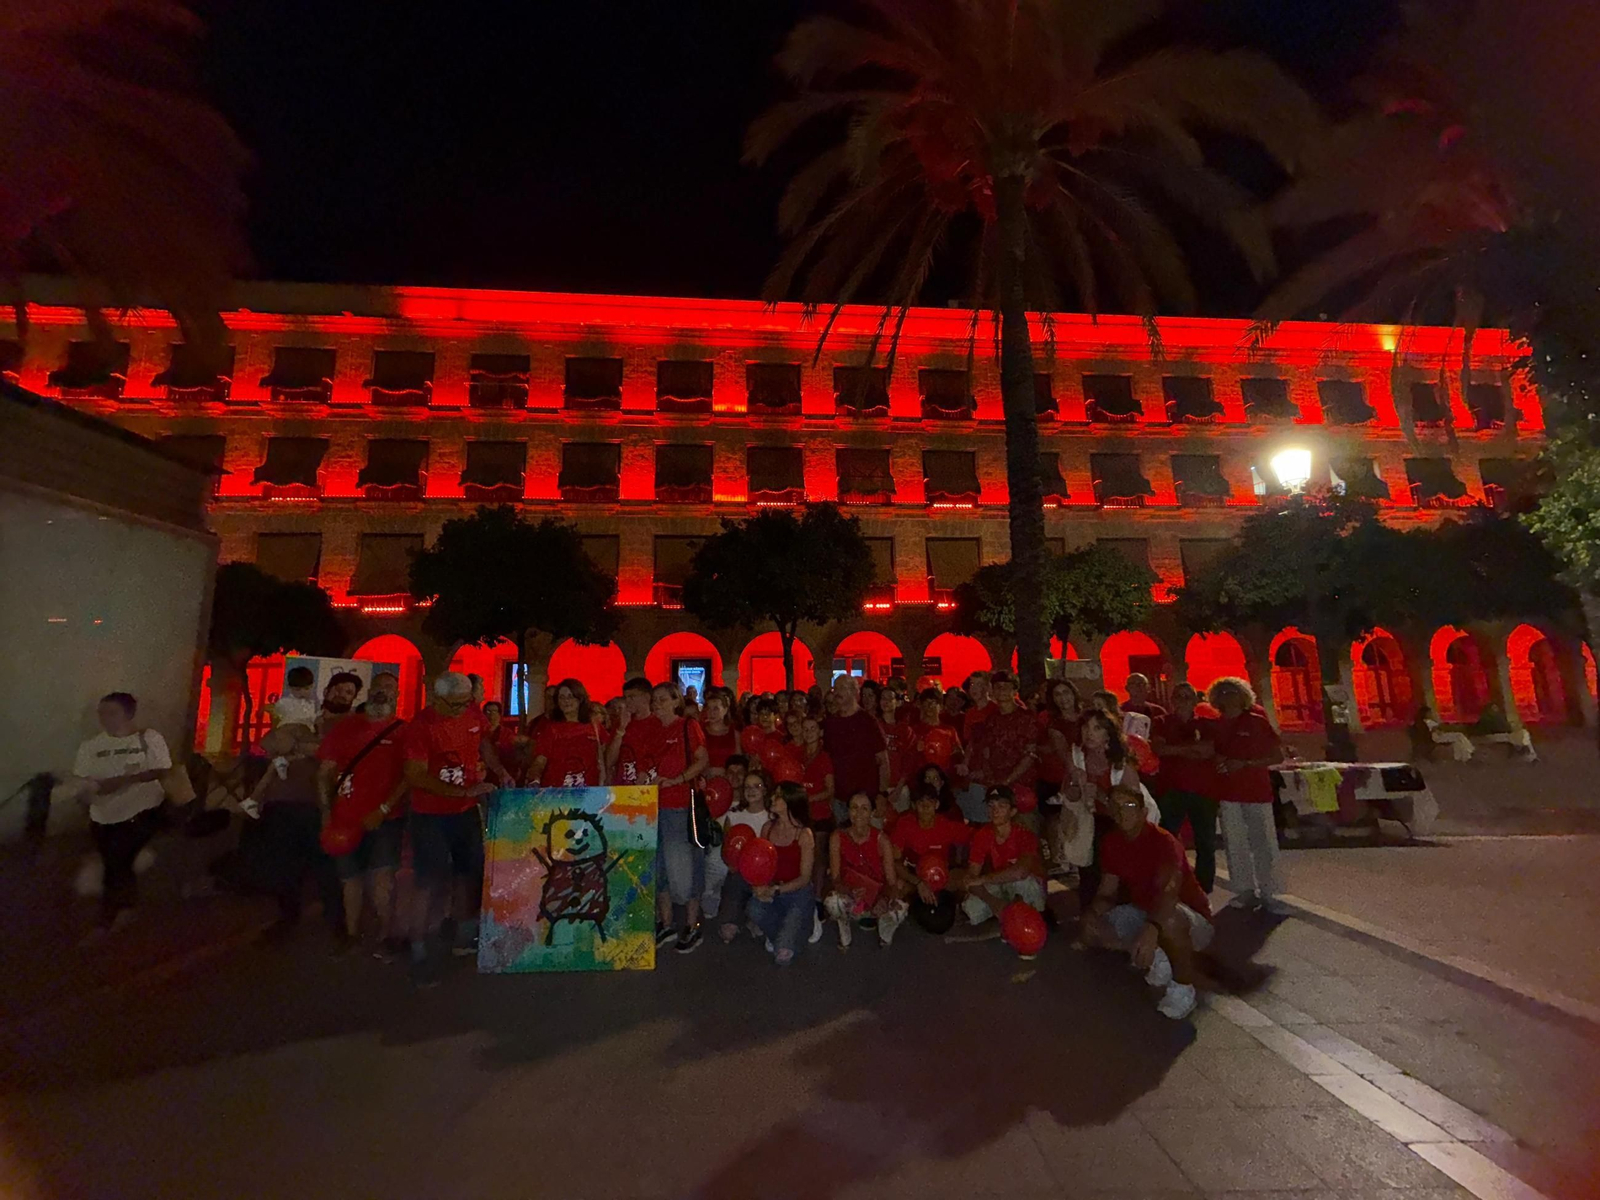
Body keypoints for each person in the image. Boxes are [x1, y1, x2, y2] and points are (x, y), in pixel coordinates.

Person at [401, 672, 511, 984]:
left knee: (470, 871)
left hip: (465, 813)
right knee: (428, 879)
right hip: (431, 815)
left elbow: (484, 742)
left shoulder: (471, 711)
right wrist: (462, 791)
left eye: (466, 703)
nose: (462, 709)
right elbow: (415, 775)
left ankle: (465, 933)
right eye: (455, 705)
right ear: (437, 699)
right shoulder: (421, 728)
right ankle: (419, 945)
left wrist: (498, 770)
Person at [1083, 784, 1215, 1020]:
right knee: (1094, 931)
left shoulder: (1164, 842)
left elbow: (1169, 894)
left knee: (1170, 920)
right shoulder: (1112, 842)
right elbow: (1107, 891)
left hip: (1188, 917)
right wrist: (1093, 914)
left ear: (1144, 812)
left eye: (1129, 806)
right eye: (1115, 806)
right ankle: (1158, 953)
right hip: (1143, 910)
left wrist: (1151, 929)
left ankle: (1183, 987)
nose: (1121, 811)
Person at [70, 692, 173, 936]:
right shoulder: (91, 746)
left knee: (117, 862)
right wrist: (83, 797)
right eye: (101, 712)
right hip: (103, 815)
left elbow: (162, 770)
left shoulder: (149, 738)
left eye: (112, 712)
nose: (105, 718)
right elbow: (82, 779)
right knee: (116, 862)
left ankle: (109, 917)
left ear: (129, 713)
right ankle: (126, 906)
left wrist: (124, 781)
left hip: (140, 813)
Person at [315, 687, 408, 957]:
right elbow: (324, 773)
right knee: (350, 879)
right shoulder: (345, 729)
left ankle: (386, 933)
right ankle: (352, 933)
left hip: (386, 818)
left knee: (382, 877)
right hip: (345, 817)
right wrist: (326, 813)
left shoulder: (403, 731)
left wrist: (384, 807)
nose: (382, 695)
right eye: (379, 688)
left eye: (388, 689)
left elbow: (408, 776)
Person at [249, 696, 342, 942]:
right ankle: (331, 918)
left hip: (298, 806)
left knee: (299, 864)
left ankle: (312, 916)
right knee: (308, 864)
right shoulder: (295, 738)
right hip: (295, 806)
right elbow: (264, 746)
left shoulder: (314, 741)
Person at [627, 682, 710, 952]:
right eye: (654, 700)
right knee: (659, 865)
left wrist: (677, 780)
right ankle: (667, 923)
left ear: (675, 701)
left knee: (684, 867)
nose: (657, 704)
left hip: (679, 806)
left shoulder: (687, 726)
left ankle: (692, 924)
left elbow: (701, 759)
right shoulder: (652, 731)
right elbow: (645, 764)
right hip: (653, 806)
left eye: (663, 699)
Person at [1208, 677, 1287, 913]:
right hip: (1228, 792)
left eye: (1232, 691)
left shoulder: (1256, 722)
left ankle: (1270, 891)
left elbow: (1277, 757)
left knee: (1263, 841)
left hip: (1256, 791)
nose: (1227, 696)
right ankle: (1244, 890)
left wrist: (1246, 764)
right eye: (1222, 692)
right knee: (1235, 843)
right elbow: (1212, 753)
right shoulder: (1216, 725)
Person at [1151, 682, 1220, 893]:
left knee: (1205, 841)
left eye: (1187, 696)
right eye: (1179, 696)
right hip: (1172, 789)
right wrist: (1191, 750)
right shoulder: (1161, 721)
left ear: (1195, 700)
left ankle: (1203, 887)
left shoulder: (1207, 724)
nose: (1183, 700)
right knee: (1168, 840)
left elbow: (1208, 750)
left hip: (1203, 790)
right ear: (1172, 700)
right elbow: (1159, 749)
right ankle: (1170, 883)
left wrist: (1177, 750)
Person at [959, 786, 1046, 943]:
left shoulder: (1025, 835)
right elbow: (971, 877)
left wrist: (983, 879)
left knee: (1023, 883)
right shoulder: (982, 835)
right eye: (991, 806)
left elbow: (1021, 872)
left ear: (1012, 812)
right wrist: (994, 902)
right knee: (972, 908)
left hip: (1021, 882)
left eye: (1002, 806)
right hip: (999, 882)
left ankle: (1028, 920)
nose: (995, 811)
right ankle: (1006, 914)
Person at [825, 791, 907, 948]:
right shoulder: (837, 837)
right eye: (854, 808)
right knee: (833, 902)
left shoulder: (881, 840)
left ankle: (885, 930)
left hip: (876, 894)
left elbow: (891, 881)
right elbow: (835, 878)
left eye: (864, 808)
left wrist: (883, 899)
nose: (859, 813)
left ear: (872, 812)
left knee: (899, 909)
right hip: (851, 894)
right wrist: (848, 890)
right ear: (848, 811)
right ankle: (844, 926)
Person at [747, 782, 816, 966]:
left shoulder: (804, 834)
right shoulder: (767, 828)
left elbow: (804, 878)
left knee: (783, 956)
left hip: (796, 893)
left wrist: (777, 890)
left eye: (778, 796)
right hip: (773, 888)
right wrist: (759, 886)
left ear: (789, 802)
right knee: (753, 907)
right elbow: (760, 863)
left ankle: (797, 928)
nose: (772, 799)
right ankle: (782, 932)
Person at [889, 786, 971, 934]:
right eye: (921, 803)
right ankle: (903, 910)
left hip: (942, 876)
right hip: (915, 876)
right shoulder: (905, 824)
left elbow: (977, 837)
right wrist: (918, 882)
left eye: (930, 802)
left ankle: (959, 908)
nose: (926, 807)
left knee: (966, 880)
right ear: (914, 806)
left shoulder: (946, 825)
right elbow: (895, 862)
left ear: (936, 805)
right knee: (898, 885)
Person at [961, 670, 1039, 823]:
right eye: (998, 687)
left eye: (1006, 687)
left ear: (1015, 691)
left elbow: (1030, 755)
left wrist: (1008, 780)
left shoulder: (1027, 718)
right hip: (994, 783)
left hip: (1021, 784)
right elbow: (986, 750)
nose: (1002, 690)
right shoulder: (991, 719)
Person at [715, 769, 773, 941]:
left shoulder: (772, 817)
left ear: (765, 790)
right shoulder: (734, 815)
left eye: (757, 786)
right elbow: (727, 848)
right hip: (738, 873)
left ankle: (754, 915)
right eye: (747, 786)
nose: (751, 790)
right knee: (727, 931)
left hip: (765, 875)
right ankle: (733, 918)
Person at [822, 676, 890, 816]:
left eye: (842, 688)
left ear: (854, 692)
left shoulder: (868, 722)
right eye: (836, 688)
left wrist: (882, 794)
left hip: (865, 799)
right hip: (839, 798)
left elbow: (883, 760)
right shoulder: (831, 723)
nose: (837, 693)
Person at [530, 679, 609, 788]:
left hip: (589, 793)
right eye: (561, 697)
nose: (566, 701)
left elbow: (607, 756)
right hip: (557, 794)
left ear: (580, 699)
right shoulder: (551, 729)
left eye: (570, 696)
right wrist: (535, 780)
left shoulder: (594, 727)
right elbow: (540, 760)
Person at [742, 698, 803, 783]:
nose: (764, 717)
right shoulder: (752, 736)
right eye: (761, 714)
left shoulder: (782, 738)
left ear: (775, 716)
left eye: (768, 714)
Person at [912, 688, 963, 777]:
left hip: (944, 777)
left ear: (940, 706)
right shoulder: (915, 730)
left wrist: (956, 753)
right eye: (926, 703)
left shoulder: (949, 730)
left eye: (933, 703)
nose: (929, 707)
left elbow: (960, 754)